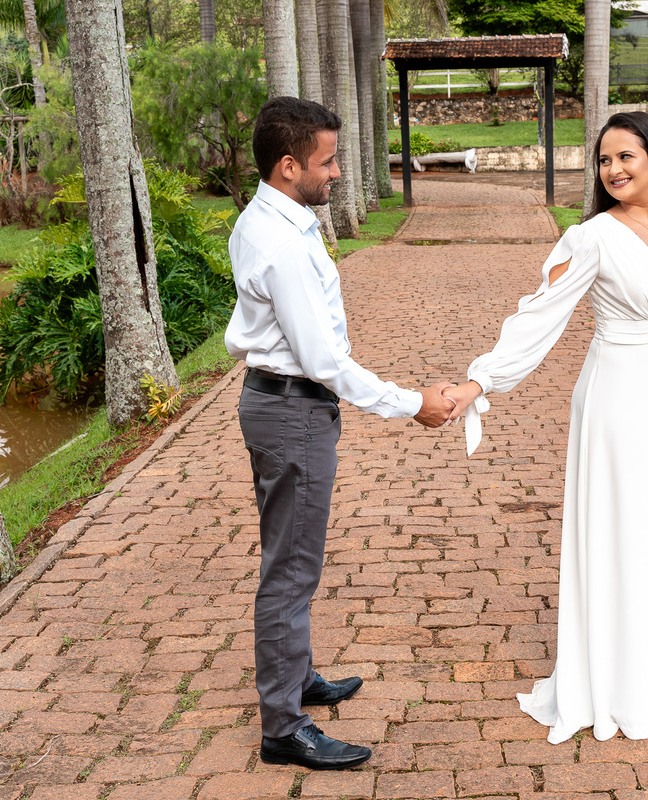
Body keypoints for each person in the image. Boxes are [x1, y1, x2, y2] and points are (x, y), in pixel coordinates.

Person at [441, 111, 648, 744]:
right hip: (615, 402)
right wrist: (483, 379)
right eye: (603, 161)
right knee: (623, 533)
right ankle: (615, 684)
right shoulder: (594, 239)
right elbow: (540, 315)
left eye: (624, 158)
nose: (611, 171)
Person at [225, 96, 455, 770]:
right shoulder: (279, 241)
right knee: (290, 572)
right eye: (326, 162)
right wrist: (412, 403)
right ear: (288, 164)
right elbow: (324, 361)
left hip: (286, 406)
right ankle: (283, 728)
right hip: (293, 409)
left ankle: (296, 679)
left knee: (291, 560)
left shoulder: (277, 220)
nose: (336, 173)